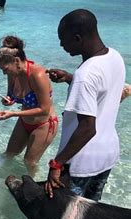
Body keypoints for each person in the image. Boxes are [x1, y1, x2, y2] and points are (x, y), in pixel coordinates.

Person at [45, 9, 125, 201]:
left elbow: (88, 128)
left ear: (78, 38)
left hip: (81, 162)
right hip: (106, 157)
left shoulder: (86, 75)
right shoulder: (115, 57)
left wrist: (57, 164)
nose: (61, 44)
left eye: (63, 39)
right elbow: (103, 90)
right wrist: (70, 78)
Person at [0, 35, 58, 175]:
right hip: (24, 121)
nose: (4, 72)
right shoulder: (12, 73)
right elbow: (11, 95)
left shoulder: (38, 75)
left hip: (44, 124)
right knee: (8, 155)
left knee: (29, 162)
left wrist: (14, 113)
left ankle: (34, 188)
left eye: (5, 69)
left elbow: (44, 109)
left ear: (16, 61)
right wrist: (9, 101)